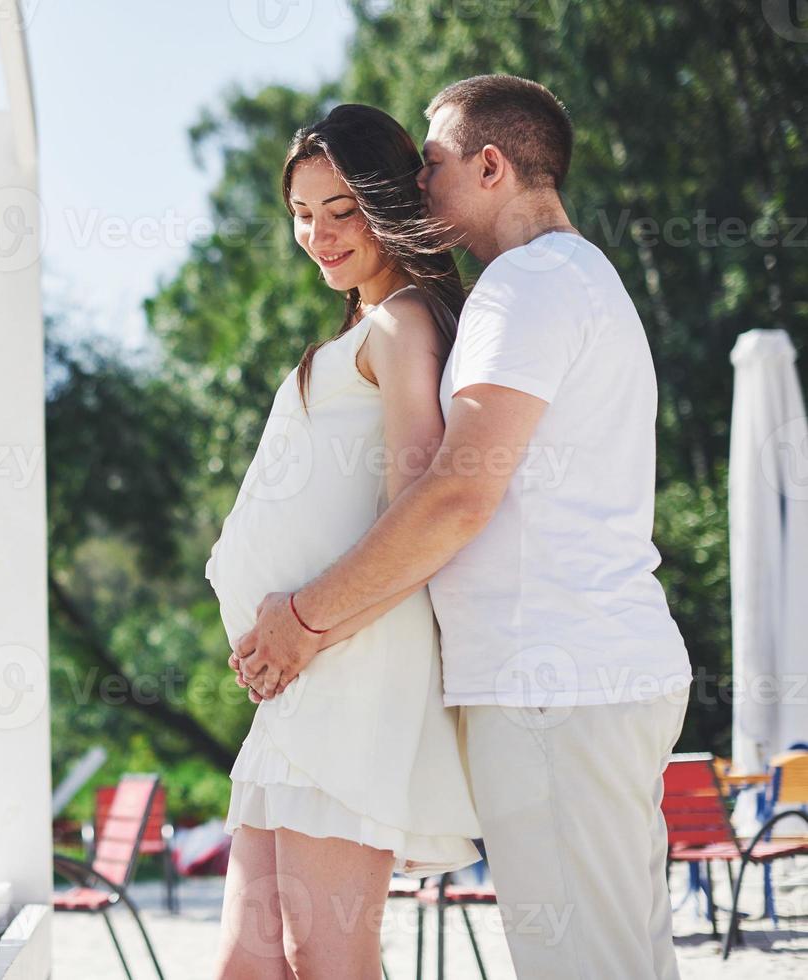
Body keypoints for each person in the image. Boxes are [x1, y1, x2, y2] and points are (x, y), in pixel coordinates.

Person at [232, 74, 693, 979]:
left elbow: (454, 495)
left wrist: (304, 619)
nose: (418, 187)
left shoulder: (527, 285)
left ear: (490, 167)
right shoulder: (565, 281)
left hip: (553, 680)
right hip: (575, 677)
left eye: (432, 165)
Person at [207, 103, 483, 980]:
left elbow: (417, 508)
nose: (319, 234)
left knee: (324, 958)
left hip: (347, 663)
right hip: (296, 678)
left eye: (341, 210)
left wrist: (306, 627)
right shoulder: (365, 326)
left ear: (387, 200)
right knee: (248, 965)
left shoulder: (405, 323)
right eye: (301, 214)